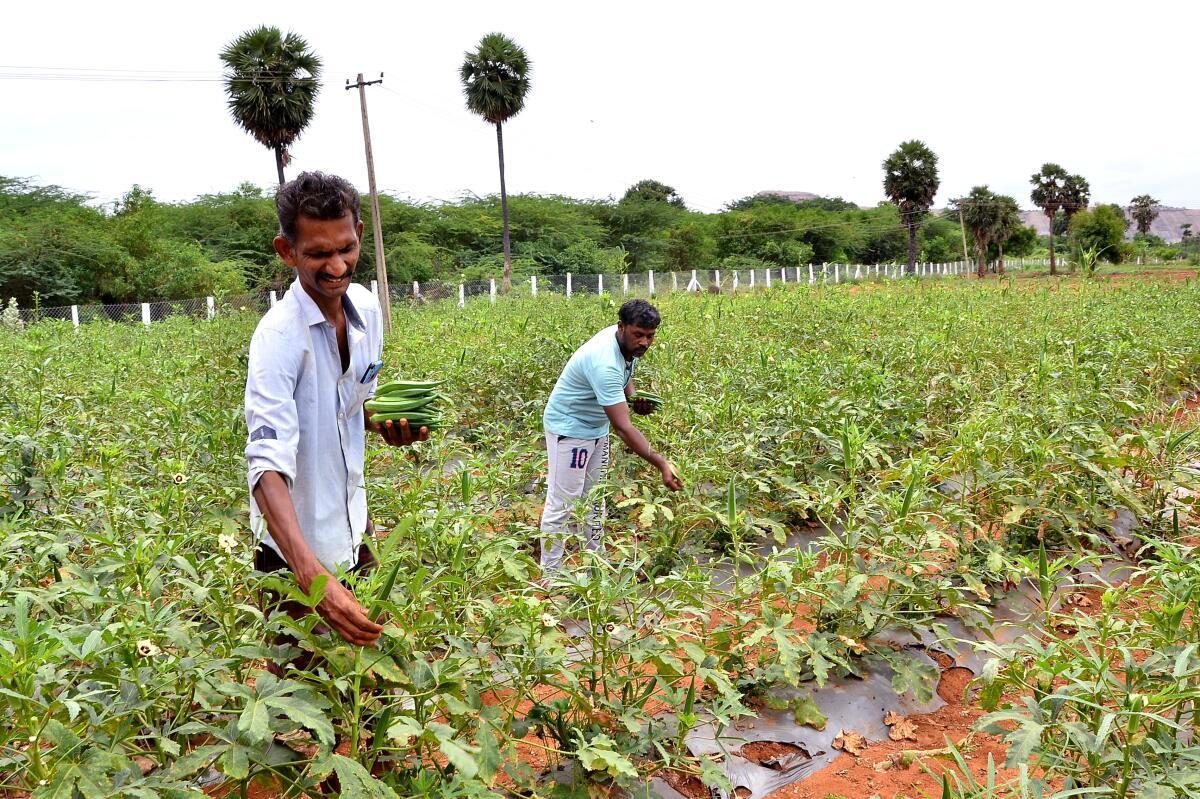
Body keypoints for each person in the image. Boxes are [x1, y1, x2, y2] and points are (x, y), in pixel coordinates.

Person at [244, 171, 426, 662]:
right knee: (302, 699)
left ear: (359, 235)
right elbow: (265, 466)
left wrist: (385, 425)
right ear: (286, 251)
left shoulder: (367, 309)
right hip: (295, 551)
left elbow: (351, 407)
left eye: (345, 248)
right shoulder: (278, 339)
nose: (336, 265)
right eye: (318, 253)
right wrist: (311, 578)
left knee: (367, 676)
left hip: (353, 525)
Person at [539, 298, 682, 575]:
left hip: (596, 428)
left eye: (650, 336)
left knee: (595, 499)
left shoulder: (626, 345)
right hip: (569, 431)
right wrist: (662, 463)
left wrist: (633, 398)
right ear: (621, 327)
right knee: (563, 504)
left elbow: (625, 373)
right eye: (638, 335)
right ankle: (551, 577)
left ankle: (596, 566)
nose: (644, 343)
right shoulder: (603, 361)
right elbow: (624, 428)